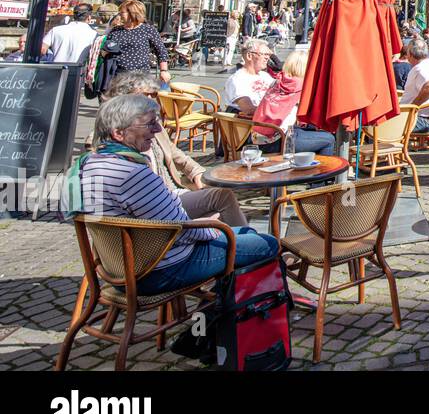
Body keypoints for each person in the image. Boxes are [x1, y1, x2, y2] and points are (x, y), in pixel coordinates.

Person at [68, 93, 278, 296]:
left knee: (244, 234)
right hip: (160, 270)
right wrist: (215, 227)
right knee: (267, 243)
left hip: (120, 269)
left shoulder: (85, 165)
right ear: (119, 133)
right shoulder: (132, 173)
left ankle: (229, 299)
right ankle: (246, 310)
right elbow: (182, 230)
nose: (158, 129)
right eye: (149, 124)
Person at [103, 71, 247, 227]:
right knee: (219, 207)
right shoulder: (112, 138)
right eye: (145, 95)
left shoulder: (152, 122)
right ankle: (243, 244)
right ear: (125, 98)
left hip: (170, 192)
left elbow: (173, 151)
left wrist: (196, 172)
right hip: (156, 206)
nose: (152, 99)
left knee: (221, 200)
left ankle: (239, 244)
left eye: (154, 95)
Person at [250, 49, 336, 157]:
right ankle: (322, 173)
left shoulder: (277, 80)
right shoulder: (302, 86)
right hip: (278, 140)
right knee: (329, 139)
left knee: (310, 134)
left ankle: (307, 168)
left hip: (257, 137)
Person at [105, 0, 171, 85]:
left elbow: (161, 51)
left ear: (133, 13)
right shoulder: (116, 30)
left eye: (122, 12)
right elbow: (106, 49)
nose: (119, 14)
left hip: (140, 75)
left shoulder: (148, 29)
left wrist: (164, 70)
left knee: (137, 99)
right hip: (118, 75)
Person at [400, 37, 429, 133]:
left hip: (422, 120)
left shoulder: (421, 68)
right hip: (424, 118)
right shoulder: (428, 63)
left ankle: (385, 146)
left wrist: (413, 107)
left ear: (410, 54)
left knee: (379, 122)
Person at [222, 38, 276, 114]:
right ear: (249, 56)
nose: (267, 58)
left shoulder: (265, 76)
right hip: (249, 123)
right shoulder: (237, 80)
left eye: (268, 55)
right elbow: (249, 109)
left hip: (268, 118)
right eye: (264, 54)